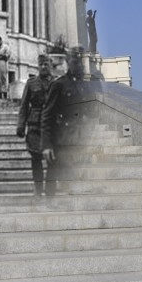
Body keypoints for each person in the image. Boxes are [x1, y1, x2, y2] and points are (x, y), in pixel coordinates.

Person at [41, 46, 89, 197]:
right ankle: (50, 204)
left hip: (82, 139)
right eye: (75, 60)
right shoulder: (59, 84)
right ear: (68, 61)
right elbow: (47, 115)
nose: (79, 64)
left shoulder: (87, 86)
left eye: (81, 60)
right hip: (62, 139)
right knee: (54, 175)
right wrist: (47, 145)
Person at [17, 54, 54, 196]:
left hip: (51, 126)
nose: (43, 67)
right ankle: (38, 191)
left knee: (53, 162)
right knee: (36, 160)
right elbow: (24, 105)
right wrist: (21, 126)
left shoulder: (57, 83)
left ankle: (50, 194)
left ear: (50, 65)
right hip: (35, 126)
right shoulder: (31, 83)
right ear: (37, 67)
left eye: (46, 64)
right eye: (41, 65)